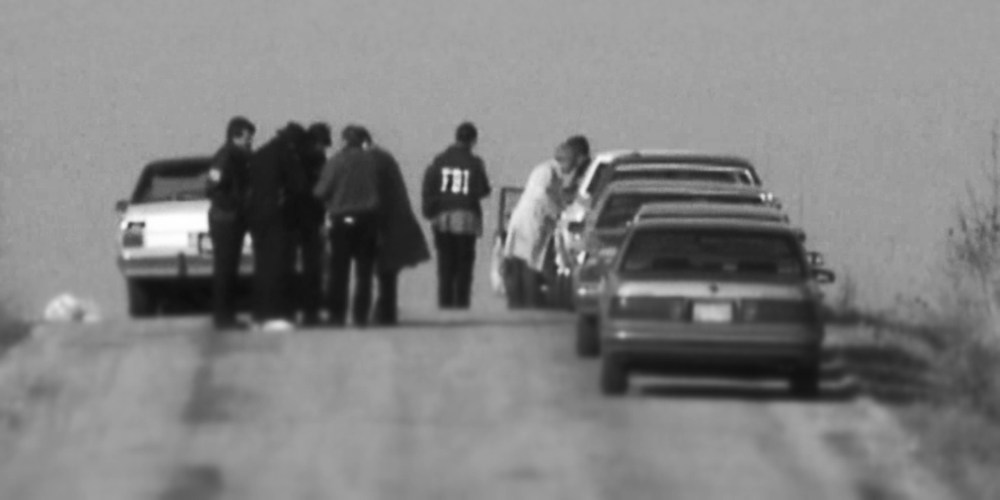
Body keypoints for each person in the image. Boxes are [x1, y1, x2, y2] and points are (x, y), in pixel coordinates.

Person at [502, 136, 590, 308]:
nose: (571, 170)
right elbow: (542, 195)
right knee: (530, 263)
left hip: (534, 222)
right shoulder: (547, 171)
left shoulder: (554, 174)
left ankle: (525, 301)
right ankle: (527, 302)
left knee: (530, 261)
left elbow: (556, 197)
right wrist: (559, 213)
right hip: (530, 222)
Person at [358, 127, 431, 324]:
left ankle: (376, 313)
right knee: (387, 274)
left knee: (375, 272)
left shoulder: (372, 160)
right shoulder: (384, 158)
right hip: (395, 223)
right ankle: (385, 312)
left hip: (380, 224)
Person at [313, 125, 380, 327]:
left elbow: (320, 191)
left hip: (342, 222)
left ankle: (337, 315)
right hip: (368, 221)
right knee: (364, 273)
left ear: (344, 141)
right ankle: (361, 316)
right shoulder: (374, 162)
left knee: (339, 272)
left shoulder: (336, 161)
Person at [421, 122, 492, 309]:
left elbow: (429, 187)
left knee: (445, 265)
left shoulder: (439, 161)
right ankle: (461, 306)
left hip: (443, 219)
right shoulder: (474, 163)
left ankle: (444, 305)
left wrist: (430, 210)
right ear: (473, 140)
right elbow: (483, 190)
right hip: (467, 220)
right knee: (464, 267)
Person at [246, 122, 308, 330]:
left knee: (262, 267)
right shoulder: (287, 155)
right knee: (280, 267)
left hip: (257, 218)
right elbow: (299, 187)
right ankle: (278, 314)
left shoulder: (259, 154)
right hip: (279, 218)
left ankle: (260, 315)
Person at [206, 116, 255, 330]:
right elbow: (212, 188)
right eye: (247, 136)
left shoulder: (241, 157)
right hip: (225, 220)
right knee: (225, 269)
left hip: (234, 219)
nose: (250, 141)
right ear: (236, 135)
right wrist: (234, 205)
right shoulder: (225, 157)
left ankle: (227, 316)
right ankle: (223, 318)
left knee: (230, 269)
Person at [285, 122, 332, 325]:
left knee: (299, 267)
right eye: (322, 144)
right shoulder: (313, 161)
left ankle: (298, 310)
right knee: (311, 268)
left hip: (297, 220)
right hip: (307, 221)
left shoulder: (296, 158)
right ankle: (309, 311)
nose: (323, 148)